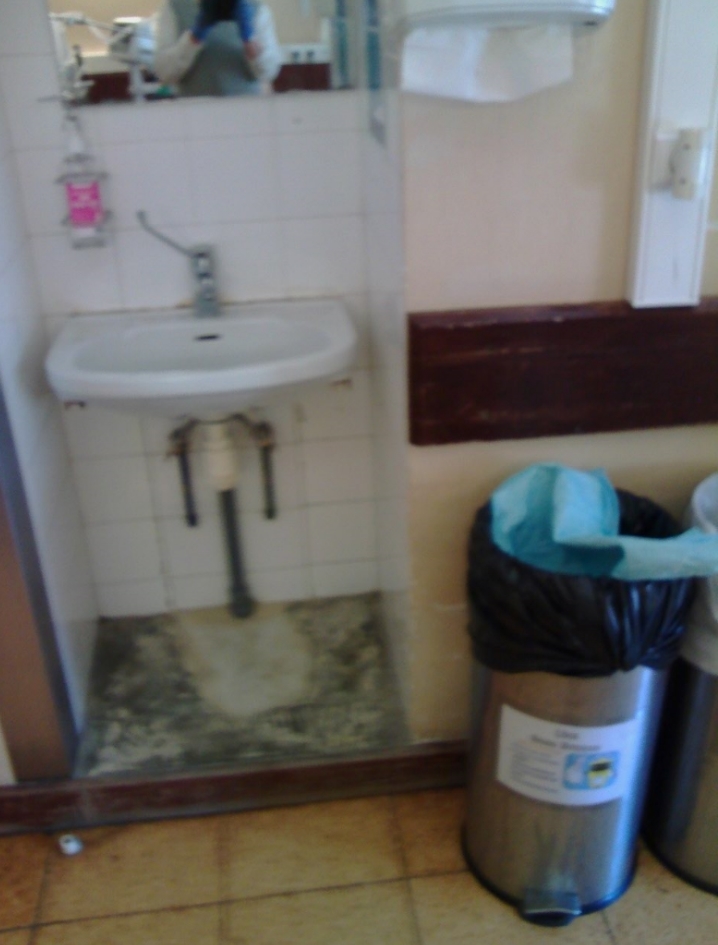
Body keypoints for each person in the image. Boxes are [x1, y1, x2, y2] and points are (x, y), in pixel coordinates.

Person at [154, 0, 282, 97]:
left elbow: (269, 73)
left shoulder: (257, 10)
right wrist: (193, 38)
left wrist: (249, 39)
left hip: (246, 113)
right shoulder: (174, 9)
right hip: (194, 115)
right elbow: (164, 73)